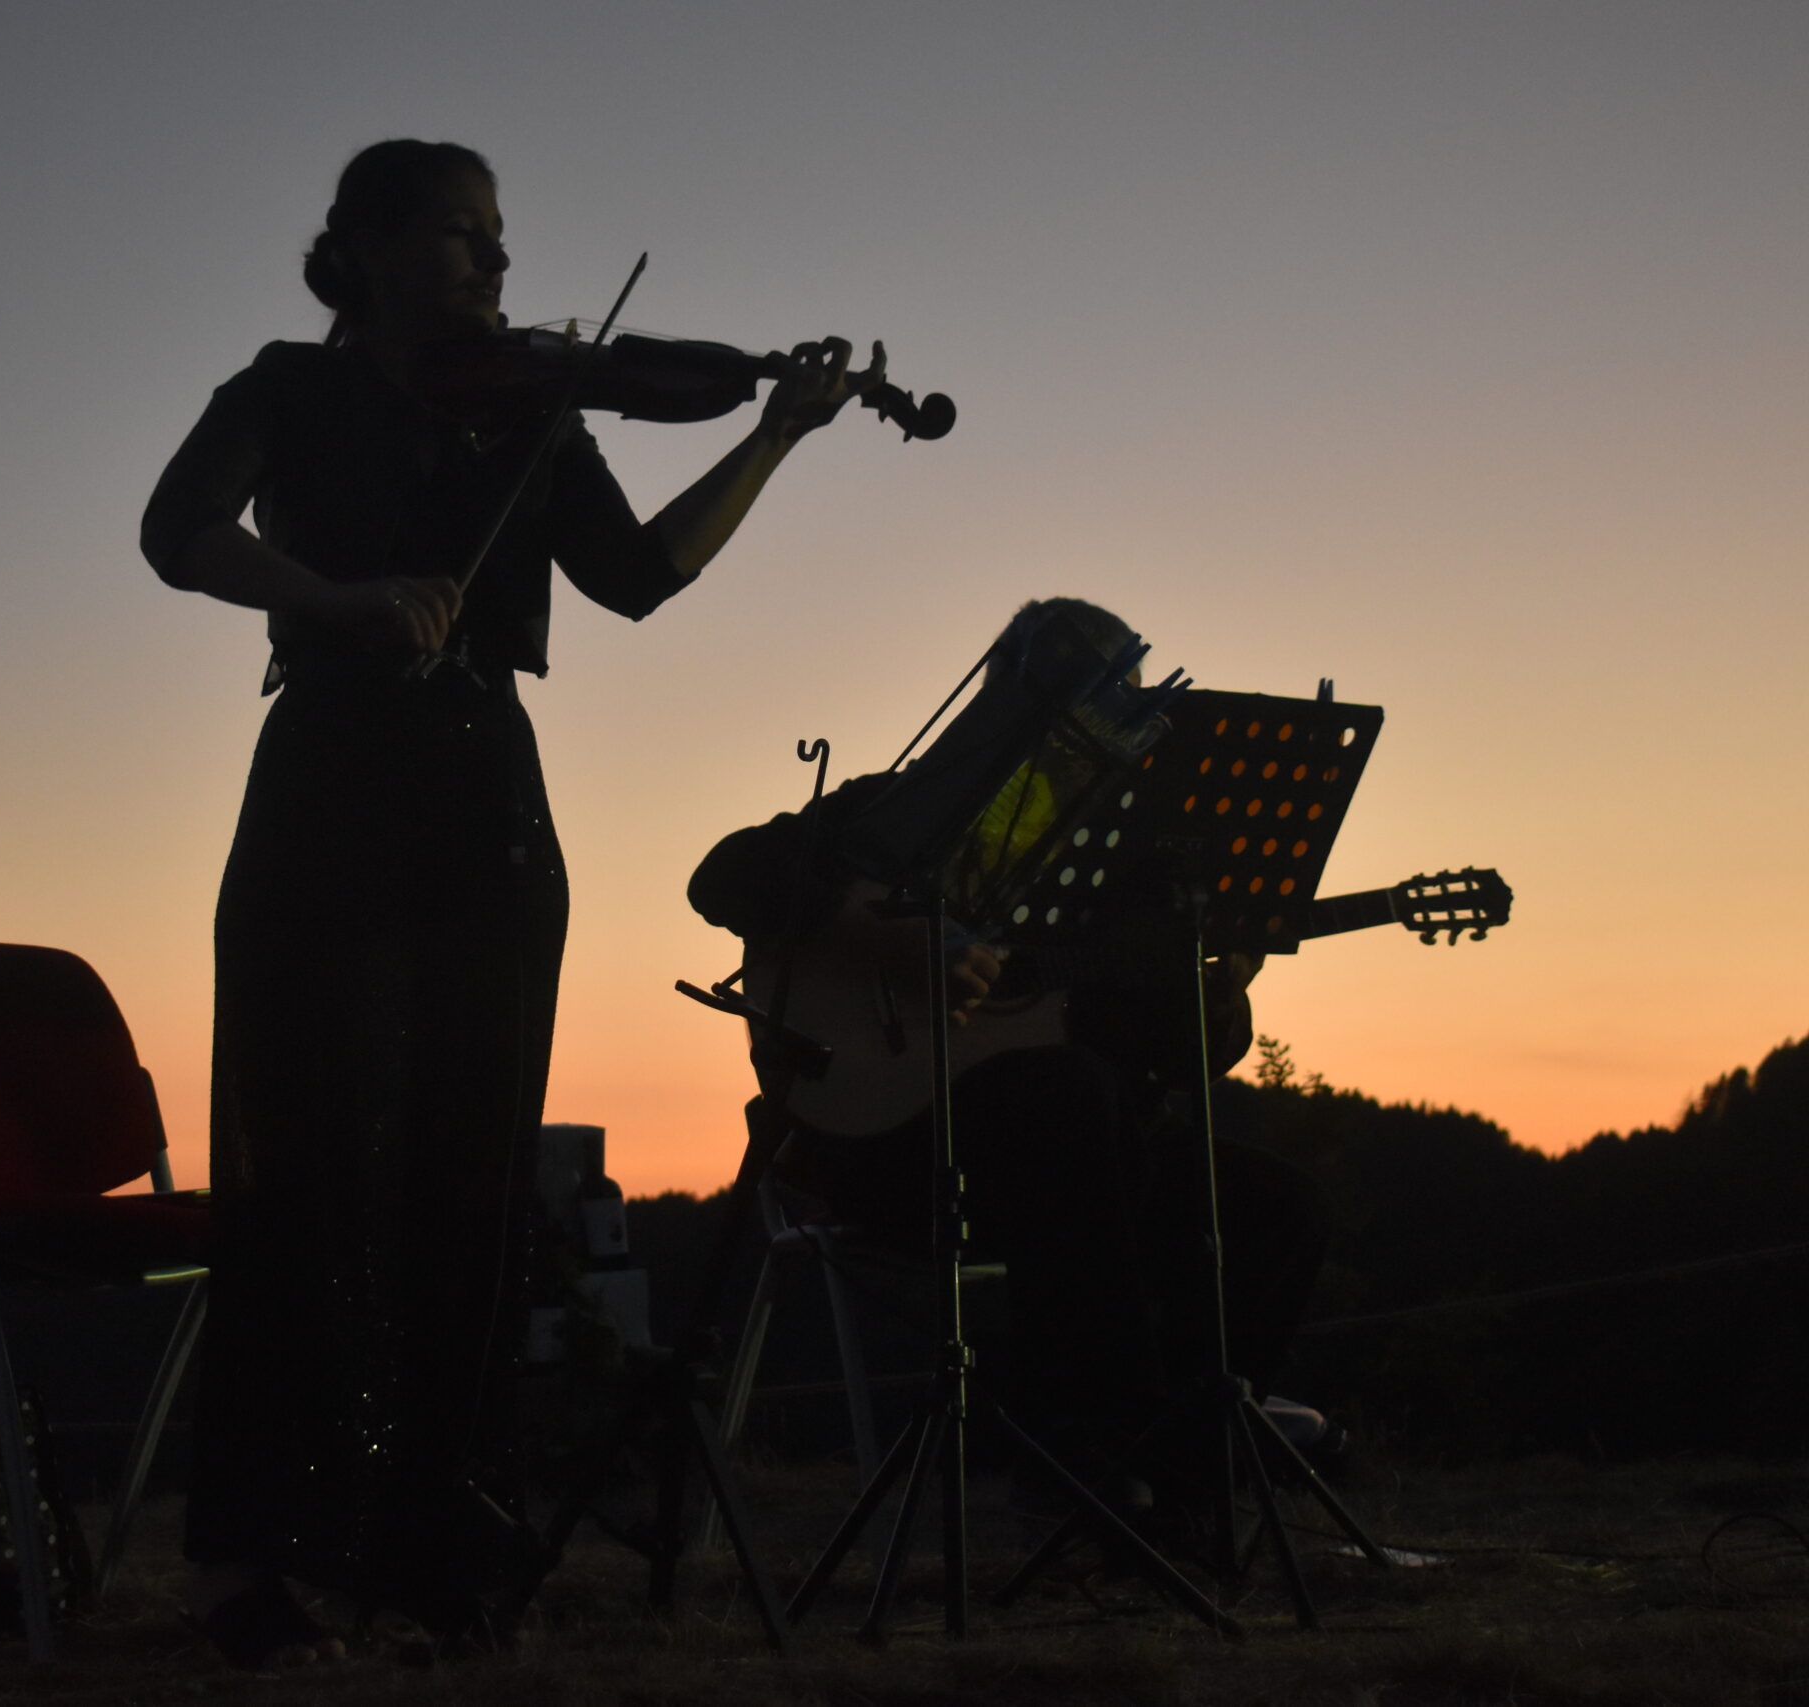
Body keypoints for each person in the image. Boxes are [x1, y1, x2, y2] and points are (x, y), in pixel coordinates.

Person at [139, 139, 883, 1666]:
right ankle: (255, 1565)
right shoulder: (285, 385)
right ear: (367, 248)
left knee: (469, 1183)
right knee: (311, 1164)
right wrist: (337, 599)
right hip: (331, 780)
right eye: (467, 237)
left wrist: (779, 436)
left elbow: (641, 576)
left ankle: (430, 1546)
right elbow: (177, 534)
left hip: (490, 799)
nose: (497, 265)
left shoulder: (536, 406)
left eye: (498, 239)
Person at [685, 598, 1331, 1505]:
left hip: (1064, 1159)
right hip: (882, 1149)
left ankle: (1188, 1470)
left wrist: (1217, 995)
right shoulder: (892, 808)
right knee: (1066, 1098)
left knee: (1276, 1205)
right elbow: (725, 876)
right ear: (1005, 691)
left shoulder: (1120, 867)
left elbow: (1168, 1051)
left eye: (1117, 703)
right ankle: (1094, 1456)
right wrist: (894, 942)